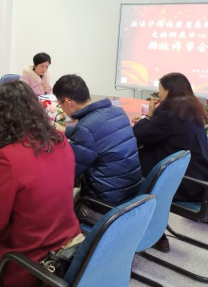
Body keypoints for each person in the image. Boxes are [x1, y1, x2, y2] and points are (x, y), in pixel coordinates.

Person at [0, 81, 80, 287]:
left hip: (29, 258)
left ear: (1, 117)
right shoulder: (60, 138)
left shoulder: (9, 156)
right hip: (66, 243)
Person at [132, 72, 208, 252]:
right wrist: (150, 121)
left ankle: (151, 233)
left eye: (160, 90)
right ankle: (156, 232)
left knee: (128, 170)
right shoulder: (191, 108)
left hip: (183, 182)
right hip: (197, 174)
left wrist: (148, 116)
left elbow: (139, 135)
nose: (159, 94)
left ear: (169, 91)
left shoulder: (169, 113)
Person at [53, 75, 142, 215]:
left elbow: (68, 171)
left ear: (68, 102)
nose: (62, 109)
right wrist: (66, 130)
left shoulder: (86, 129)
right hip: (130, 191)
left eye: (60, 105)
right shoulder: (117, 112)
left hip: (106, 203)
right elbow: (98, 132)